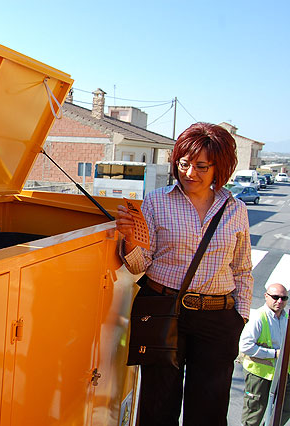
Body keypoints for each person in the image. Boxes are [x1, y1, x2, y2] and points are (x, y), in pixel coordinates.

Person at [116, 122, 253, 426]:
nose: (191, 173)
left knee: (209, 411)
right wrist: (130, 239)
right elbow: (141, 265)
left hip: (218, 318)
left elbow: (243, 270)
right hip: (164, 311)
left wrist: (239, 318)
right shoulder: (156, 201)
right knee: (157, 407)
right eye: (184, 163)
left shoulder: (236, 209)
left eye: (202, 166)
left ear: (219, 167)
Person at [240, 283, 290, 426]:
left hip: (283, 373)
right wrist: (274, 353)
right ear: (266, 296)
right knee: (254, 415)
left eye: (284, 298)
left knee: (284, 409)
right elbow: (245, 346)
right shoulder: (259, 317)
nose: (279, 301)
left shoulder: (286, 318)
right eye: (275, 297)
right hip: (259, 374)